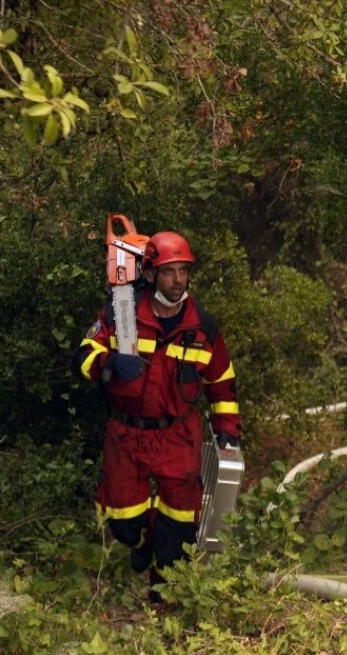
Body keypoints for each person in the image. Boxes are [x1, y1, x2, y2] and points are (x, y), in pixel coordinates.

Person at [74, 230, 240, 603]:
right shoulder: (121, 315)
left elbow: (222, 382)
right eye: (168, 271)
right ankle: (142, 541)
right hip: (127, 433)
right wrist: (109, 361)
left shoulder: (203, 328)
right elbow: (82, 355)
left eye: (183, 271)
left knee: (178, 528)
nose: (178, 280)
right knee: (124, 522)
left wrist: (228, 428)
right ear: (149, 274)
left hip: (177, 436)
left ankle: (163, 599)